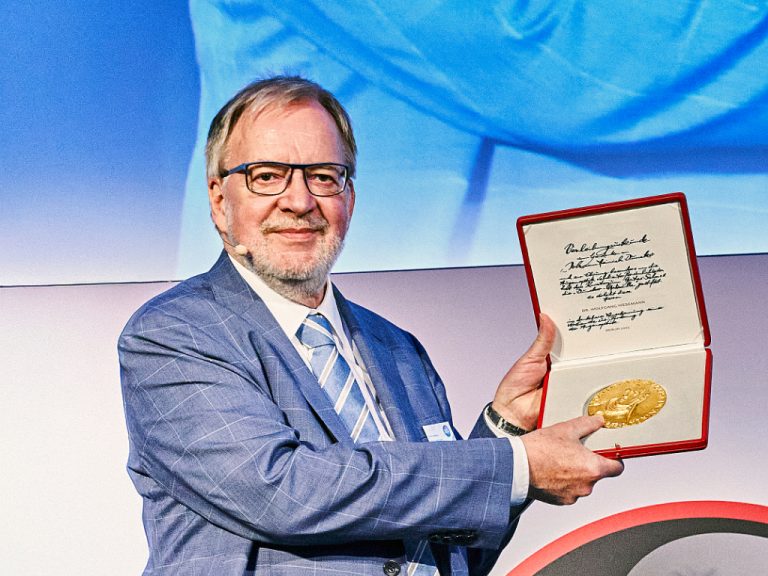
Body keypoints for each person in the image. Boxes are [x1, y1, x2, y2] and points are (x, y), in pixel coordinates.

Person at [119, 75, 624, 576]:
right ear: (218, 199)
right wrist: (515, 465)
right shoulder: (175, 335)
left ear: (350, 198)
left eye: (322, 176)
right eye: (267, 176)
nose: (299, 201)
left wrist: (504, 425)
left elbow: (446, 549)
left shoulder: (397, 349)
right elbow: (284, 491)